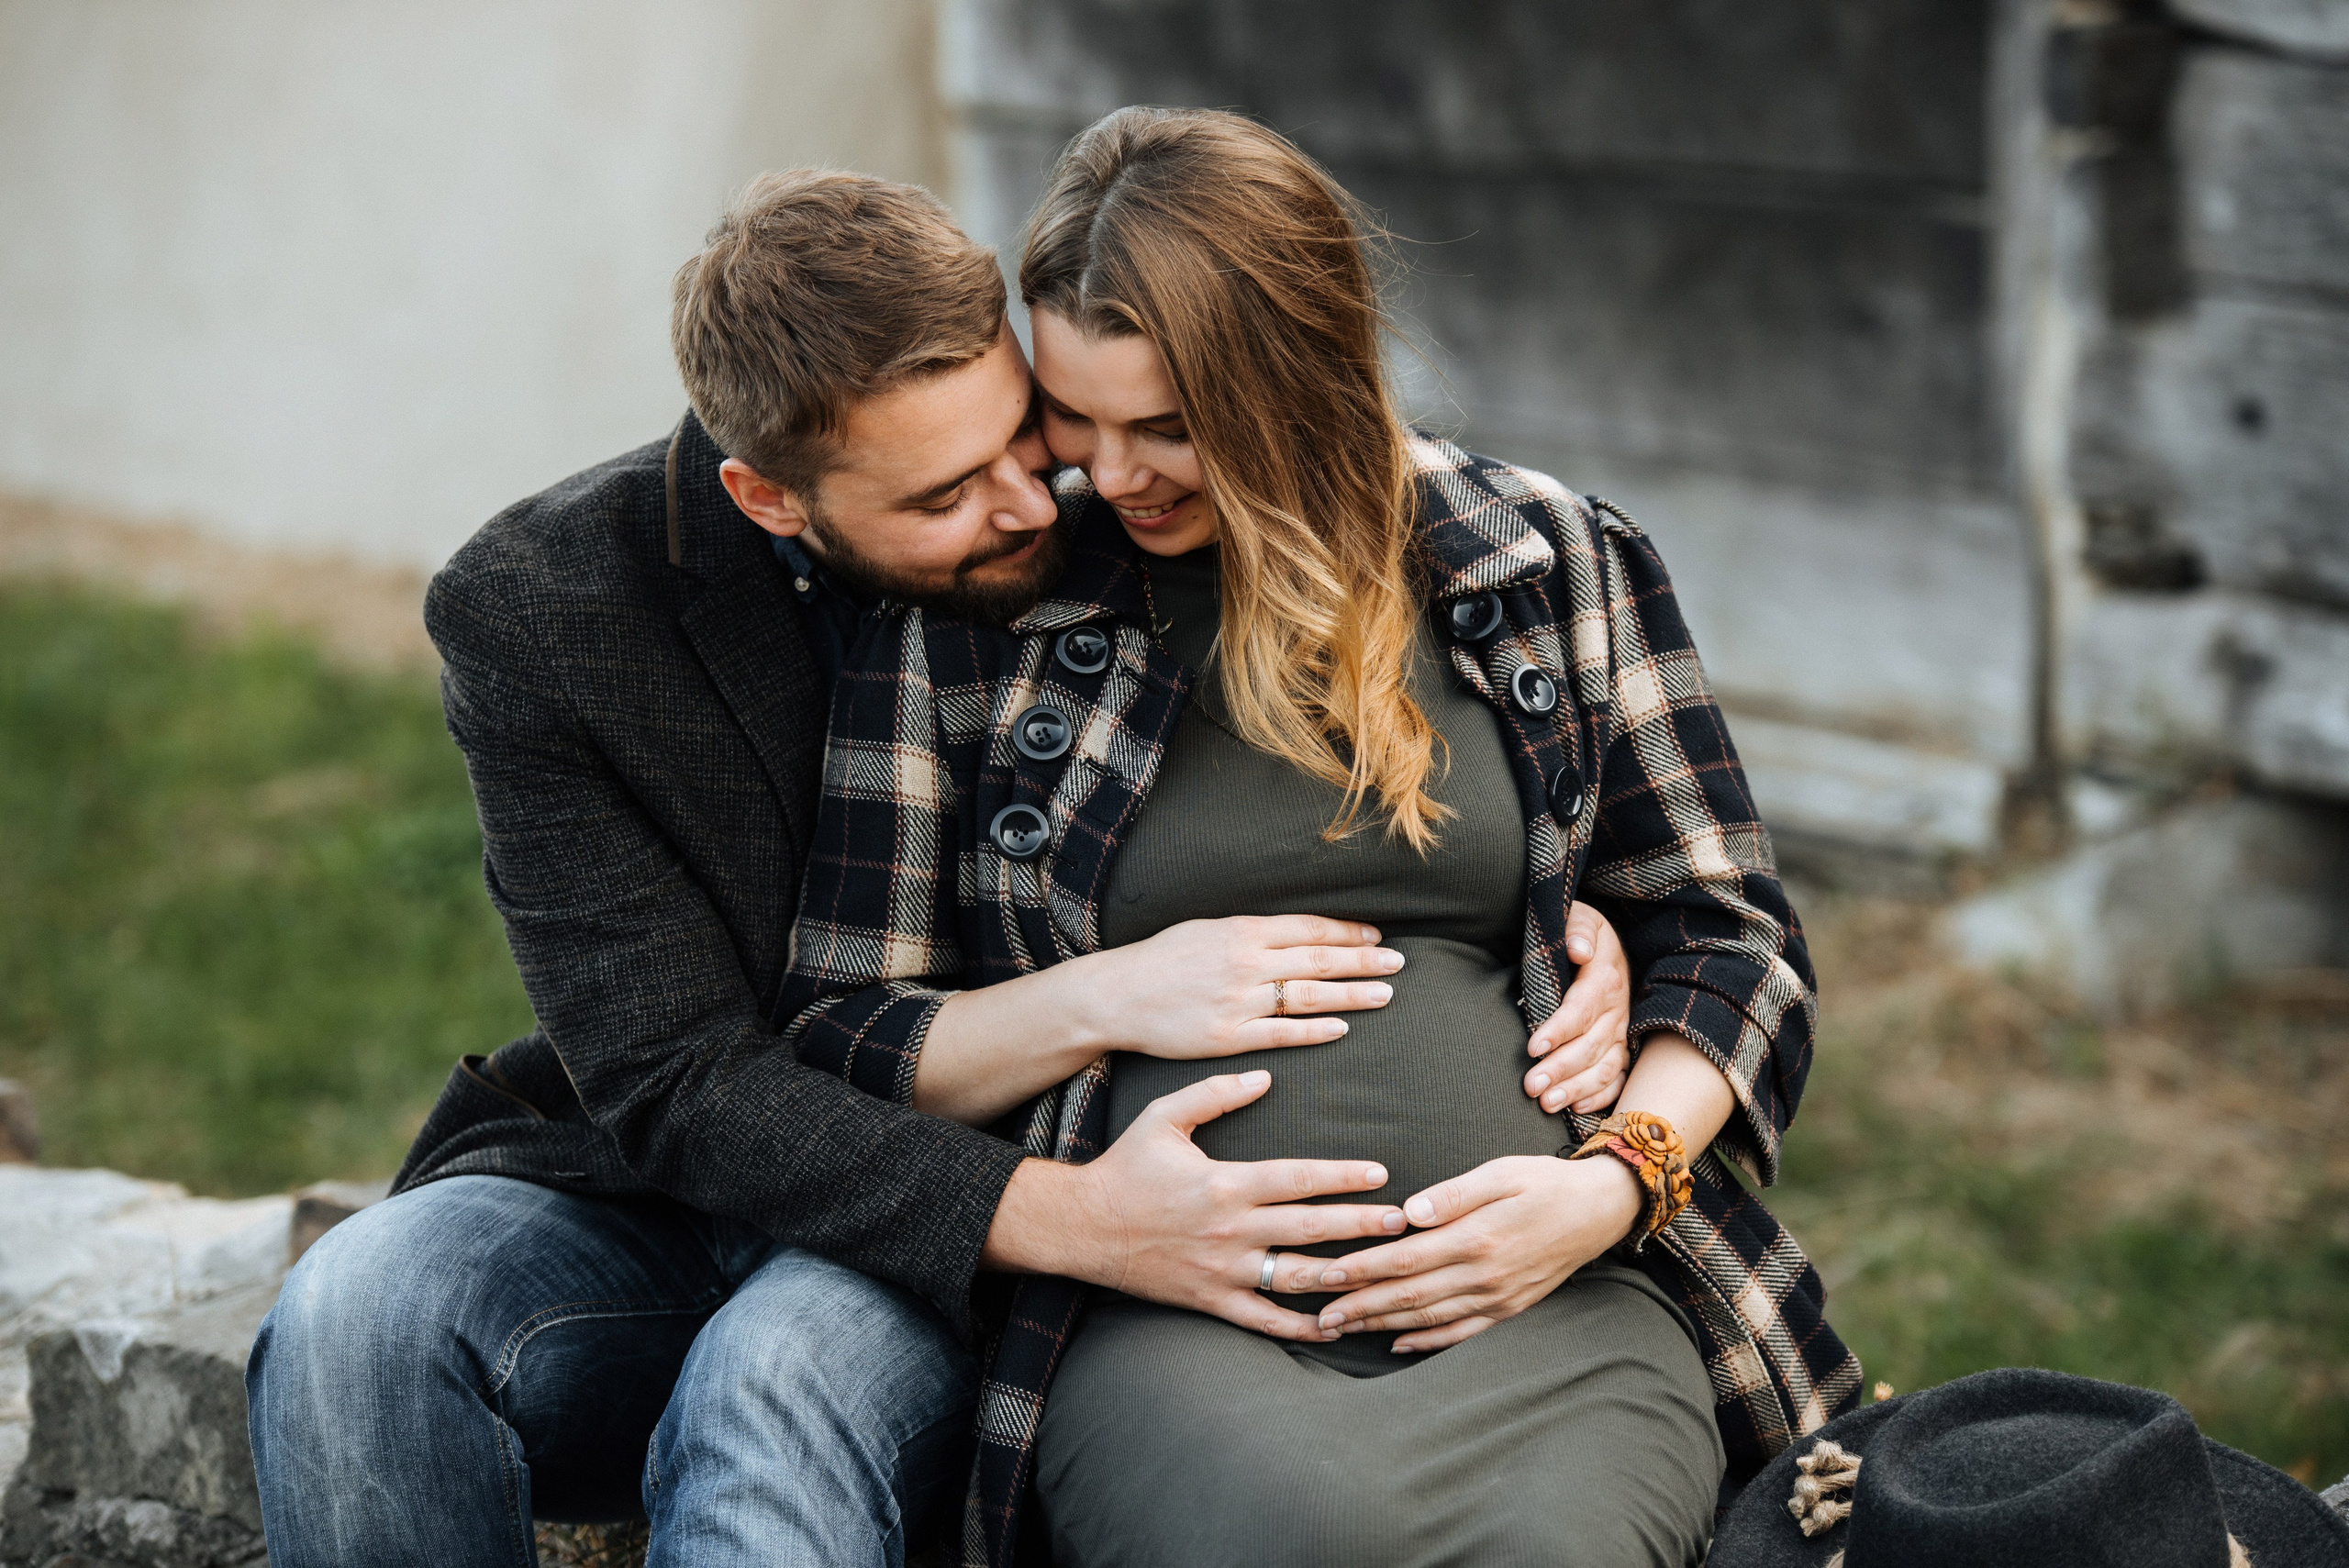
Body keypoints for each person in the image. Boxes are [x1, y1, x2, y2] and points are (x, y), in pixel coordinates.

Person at [243, 169, 1638, 1566]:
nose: (1039, 498)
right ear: (769, 499)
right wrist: (1080, 1215)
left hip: (960, 1216)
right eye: (949, 491)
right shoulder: (551, 615)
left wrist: (1554, 906)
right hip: (730, 1175)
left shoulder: (1107, 523)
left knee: (775, 1377)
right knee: (356, 1313)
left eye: (1024, 435)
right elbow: (674, 1080)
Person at [778, 108, 1862, 1568]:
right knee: (1280, 1535)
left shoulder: (1543, 559)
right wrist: (1097, 998)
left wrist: (1606, 1187)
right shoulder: (984, 619)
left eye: (1166, 423)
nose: (1111, 471)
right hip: (1180, 1319)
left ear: (1297, 374)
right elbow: (844, 1026)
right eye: (1074, 417)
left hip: (1553, 1302)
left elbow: (1730, 938)